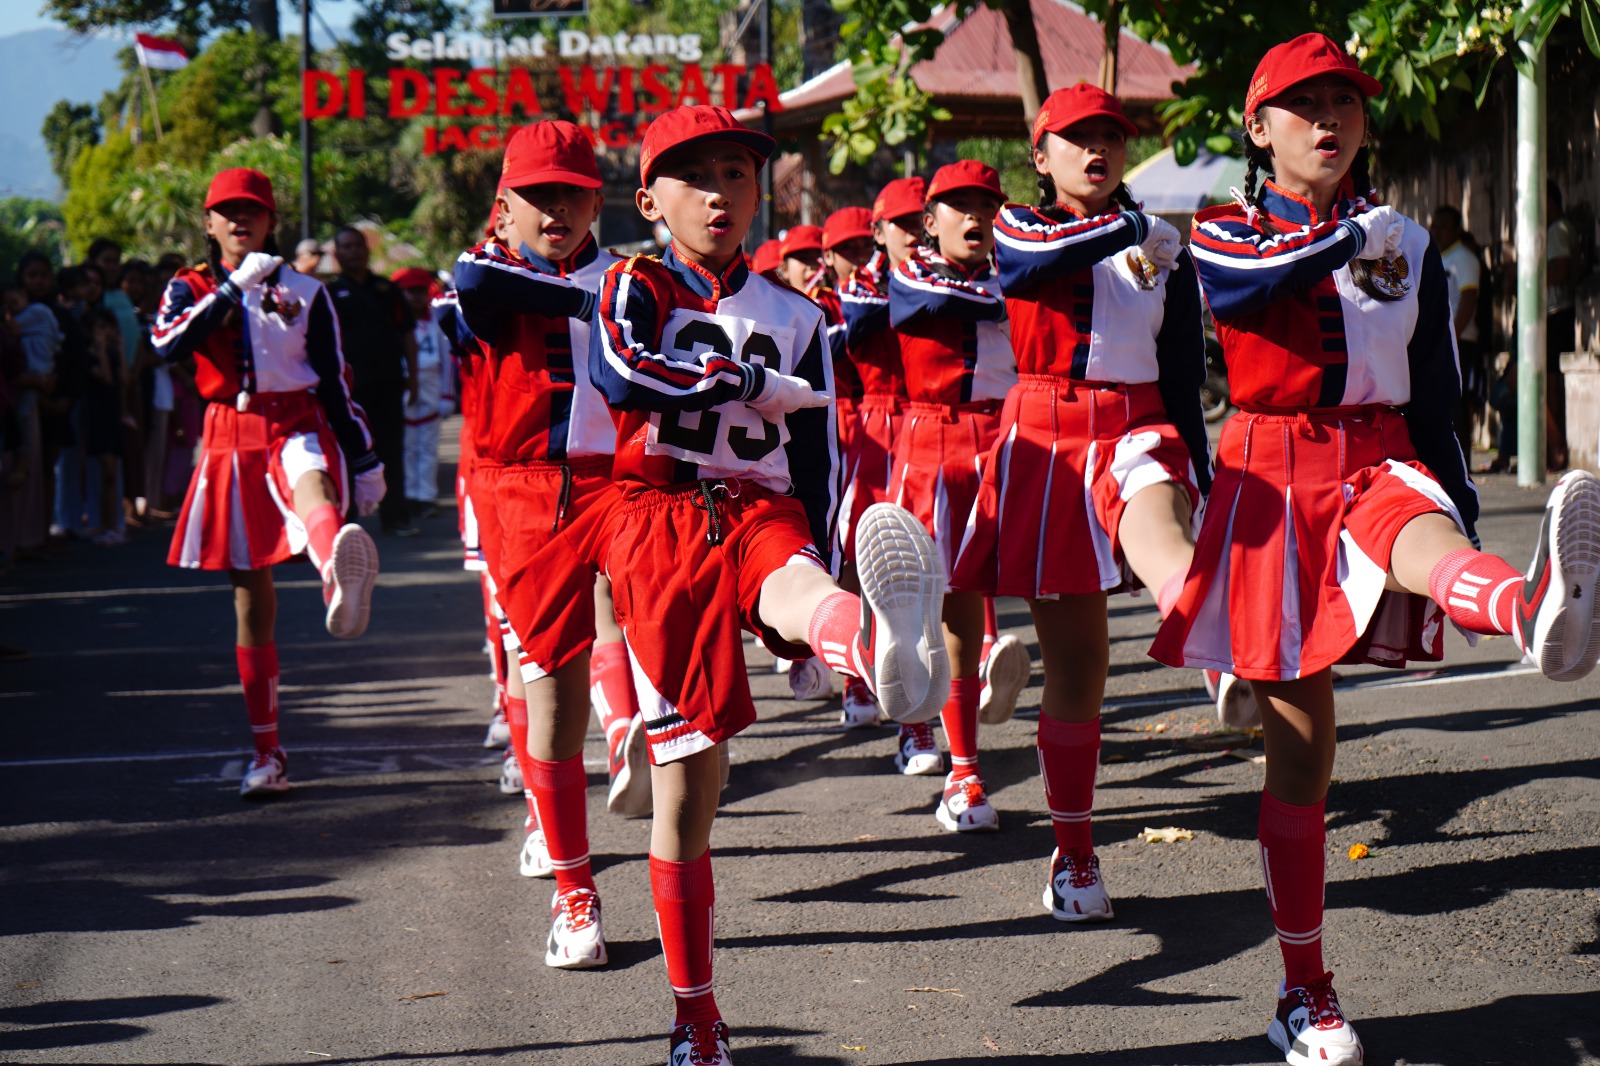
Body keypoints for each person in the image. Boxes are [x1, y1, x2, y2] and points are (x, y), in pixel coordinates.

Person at [1153, 34, 1600, 1066]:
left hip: (1375, 453)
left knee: (1423, 528)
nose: (1328, 120)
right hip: (1271, 478)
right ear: (1258, 129)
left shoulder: (1401, 239)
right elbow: (1237, 288)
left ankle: (1529, 606)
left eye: (1346, 104)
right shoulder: (1222, 229)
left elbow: (1435, 392)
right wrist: (1352, 240)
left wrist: (1461, 491)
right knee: (1302, 754)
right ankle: (1301, 989)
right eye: (1302, 105)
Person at [589, 103, 948, 1065]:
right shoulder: (633, 285)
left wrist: (832, 547)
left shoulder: (801, 316)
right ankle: (697, 1014)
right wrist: (729, 380)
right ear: (649, 198)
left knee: (798, 582)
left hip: (758, 506)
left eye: (738, 176)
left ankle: (870, 643)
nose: (719, 192)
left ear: (760, 193)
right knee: (687, 788)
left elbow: (822, 455)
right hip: (657, 522)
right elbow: (622, 373)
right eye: (696, 175)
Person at [952, 82, 1208, 918]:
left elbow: (1179, 369)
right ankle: (1074, 857)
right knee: (1079, 666)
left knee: (1166, 530)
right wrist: (1139, 229)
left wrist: (1201, 472)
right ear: (1040, 154)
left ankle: (1216, 635)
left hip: (1138, 424)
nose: (1096, 150)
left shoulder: (1163, 242)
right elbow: (1028, 263)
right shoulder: (1025, 225)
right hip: (1048, 439)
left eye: (1110, 136)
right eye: (1075, 138)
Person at [450, 120, 651, 969]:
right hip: (523, 493)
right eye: (537, 195)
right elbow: (477, 281)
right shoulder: (486, 273)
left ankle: (817, 650)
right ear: (505, 205)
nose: (555, 209)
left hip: (625, 485)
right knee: (550, 691)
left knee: (674, 640)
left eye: (570, 192)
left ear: (596, 198)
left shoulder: (637, 278)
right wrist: (604, 297)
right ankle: (577, 891)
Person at [152, 167, 386, 798]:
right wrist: (231, 290)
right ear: (207, 223)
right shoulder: (189, 286)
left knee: (312, 481)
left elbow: (335, 381)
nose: (239, 220)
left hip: (296, 420)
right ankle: (268, 751)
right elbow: (169, 346)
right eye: (226, 211)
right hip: (230, 431)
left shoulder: (307, 290)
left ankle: (337, 570)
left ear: (270, 220)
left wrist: (365, 458)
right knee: (250, 600)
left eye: (251, 210)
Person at [884, 160, 1019, 832]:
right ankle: (960, 768)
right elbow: (930, 304)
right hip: (936, 448)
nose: (974, 218)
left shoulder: (1014, 269)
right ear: (928, 222)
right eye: (957, 206)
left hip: (1011, 439)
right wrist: (1016, 295)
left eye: (985, 206)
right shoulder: (912, 271)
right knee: (946, 613)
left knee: (1065, 601)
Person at [328, 224, 419, 536]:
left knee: (391, 450)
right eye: (346, 246)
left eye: (357, 245)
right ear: (337, 254)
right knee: (345, 451)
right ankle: (346, 522)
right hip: (345, 390)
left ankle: (395, 518)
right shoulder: (328, 294)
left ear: (366, 250)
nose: (353, 251)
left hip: (387, 381)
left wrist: (414, 377)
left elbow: (407, 333)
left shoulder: (387, 290)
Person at [391, 267, 448, 519]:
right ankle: (407, 494)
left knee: (427, 444)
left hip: (431, 384)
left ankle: (426, 496)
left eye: (420, 291)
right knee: (406, 445)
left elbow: (448, 361)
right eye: (409, 292)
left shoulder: (436, 320)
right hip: (403, 385)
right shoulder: (393, 322)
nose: (415, 297)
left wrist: (447, 396)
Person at [1429, 205, 1483, 457]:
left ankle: (1462, 460)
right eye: (1434, 226)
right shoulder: (1440, 257)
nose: (1436, 231)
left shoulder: (1464, 259)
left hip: (1459, 341)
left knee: (1458, 402)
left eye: (1443, 226)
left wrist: (1454, 336)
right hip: (1444, 340)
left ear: (1457, 229)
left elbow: (1469, 299)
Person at [1547, 179, 1575, 466]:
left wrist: (1530, 272)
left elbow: (1561, 271)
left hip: (1557, 311)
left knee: (1551, 381)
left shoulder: (1558, 230)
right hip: (1551, 312)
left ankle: (1556, 446)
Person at [777, 224, 825, 292]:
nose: (812, 266)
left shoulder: (835, 300)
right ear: (785, 269)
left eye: (819, 258)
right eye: (804, 259)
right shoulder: (777, 302)